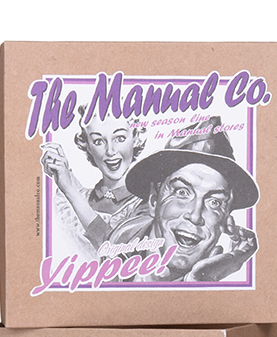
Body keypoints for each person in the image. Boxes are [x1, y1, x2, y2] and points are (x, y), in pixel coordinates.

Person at [108, 117, 259, 282]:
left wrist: (200, 280)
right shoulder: (117, 248)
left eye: (214, 202)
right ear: (153, 200)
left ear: (225, 219)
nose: (195, 216)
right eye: (182, 192)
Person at [40, 105, 146, 259]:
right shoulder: (68, 201)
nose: (110, 151)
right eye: (98, 141)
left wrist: (69, 188)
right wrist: (63, 174)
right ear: (87, 146)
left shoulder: (149, 204)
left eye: (120, 138)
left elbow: (116, 254)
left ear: (135, 139)